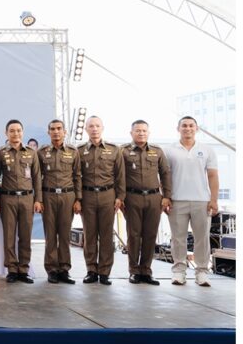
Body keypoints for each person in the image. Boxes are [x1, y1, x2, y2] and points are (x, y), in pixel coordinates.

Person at [164, 116, 218, 287]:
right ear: (178, 128)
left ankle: (202, 272)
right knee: (178, 238)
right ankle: (179, 271)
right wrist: (165, 197)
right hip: (177, 200)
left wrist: (213, 199)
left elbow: (212, 175)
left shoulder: (207, 150)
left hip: (201, 201)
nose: (188, 128)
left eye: (191, 126)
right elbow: (164, 176)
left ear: (197, 128)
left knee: (202, 238)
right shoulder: (169, 150)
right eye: (184, 126)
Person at [121, 120, 172, 286]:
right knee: (134, 235)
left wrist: (166, 196)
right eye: (138, 131)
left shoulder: (157, 151)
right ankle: (134, 271)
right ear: (131, 133)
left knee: (150, 235)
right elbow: (118, 176)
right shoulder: (123, 151)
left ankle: (146, 270)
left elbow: (165, 174)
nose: (141, 133)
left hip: (154, 198)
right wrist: (120, 197)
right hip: (132, 197)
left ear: (148, 133)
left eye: (144, 131)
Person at [0, 120, 42, 284]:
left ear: (23, 132)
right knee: (9, 236)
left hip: (27, 198)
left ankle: (24, 269)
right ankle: (12, 269)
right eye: (12, 131)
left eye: (19, 130)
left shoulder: (31, 153)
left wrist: (38, 199)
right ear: (6, 133)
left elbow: (37, 178)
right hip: (7, 198)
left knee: (25, 236)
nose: (16, 134)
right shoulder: (0, 153)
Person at [78, 116, 125, 286]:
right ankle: (91, 270)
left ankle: (105, 272)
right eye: (91, 126)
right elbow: (76, 176)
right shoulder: (79, 151)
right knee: (89, 235)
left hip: (108, 195)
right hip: (87, 196)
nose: (94, 129)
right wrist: (78, 199)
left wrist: (120, 197)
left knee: (106, 235)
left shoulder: (114, 150)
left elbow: (120, 175)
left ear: (102, 128)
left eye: (97, 126)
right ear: (86, 129)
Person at [37, 119, 81, 284]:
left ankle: (64, 269)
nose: (56, 132)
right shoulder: (41, 152)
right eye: (53, 129)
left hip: (67, 197)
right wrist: (39, 199)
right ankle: (52, 270)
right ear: (48, 132)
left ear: (64, 132)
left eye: (59, 129)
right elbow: (37, 178)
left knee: (64, 234)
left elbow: (77, 176)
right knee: (50, 235)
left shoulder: (73, 152)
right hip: (48, 196)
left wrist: (78, 199)